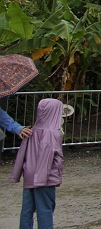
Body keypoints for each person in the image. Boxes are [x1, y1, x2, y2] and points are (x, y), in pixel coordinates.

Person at [9, 98, 64, 229]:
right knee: (45, 209)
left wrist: (16, 174)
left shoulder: (31, 130)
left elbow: (22, 153)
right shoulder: (53, 133)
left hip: (29, 174)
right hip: (44, 178)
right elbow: (47, 156)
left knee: (27, 209)